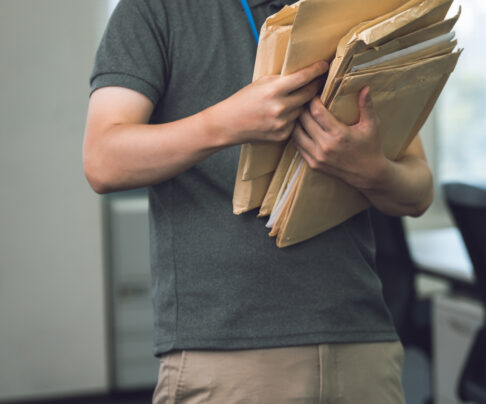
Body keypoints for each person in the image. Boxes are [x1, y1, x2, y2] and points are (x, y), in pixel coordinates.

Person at [83, 0, 433, 402]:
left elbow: (419, 189)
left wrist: (372, 169)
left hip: (364, 340)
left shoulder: (360, 10)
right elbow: (102, 160)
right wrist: (227, 123)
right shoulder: (155, 9)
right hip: (227, 351)